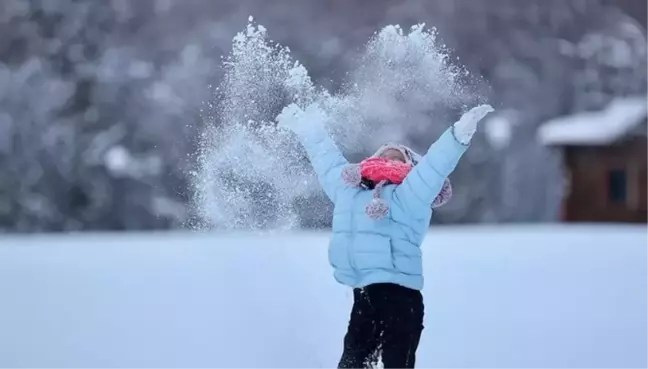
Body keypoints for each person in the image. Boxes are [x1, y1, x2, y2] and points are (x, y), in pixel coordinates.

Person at [277, 102, 494, 369]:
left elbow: (435, 166)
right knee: (352, 363)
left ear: (411, 167)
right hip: (365, 295)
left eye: (398, 158)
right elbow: (327, 161)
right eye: (385, 156)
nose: (389, 161)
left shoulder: (411, 194)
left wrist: (459, 134)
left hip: (402, 298)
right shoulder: (350, 192)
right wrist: (307, 128)